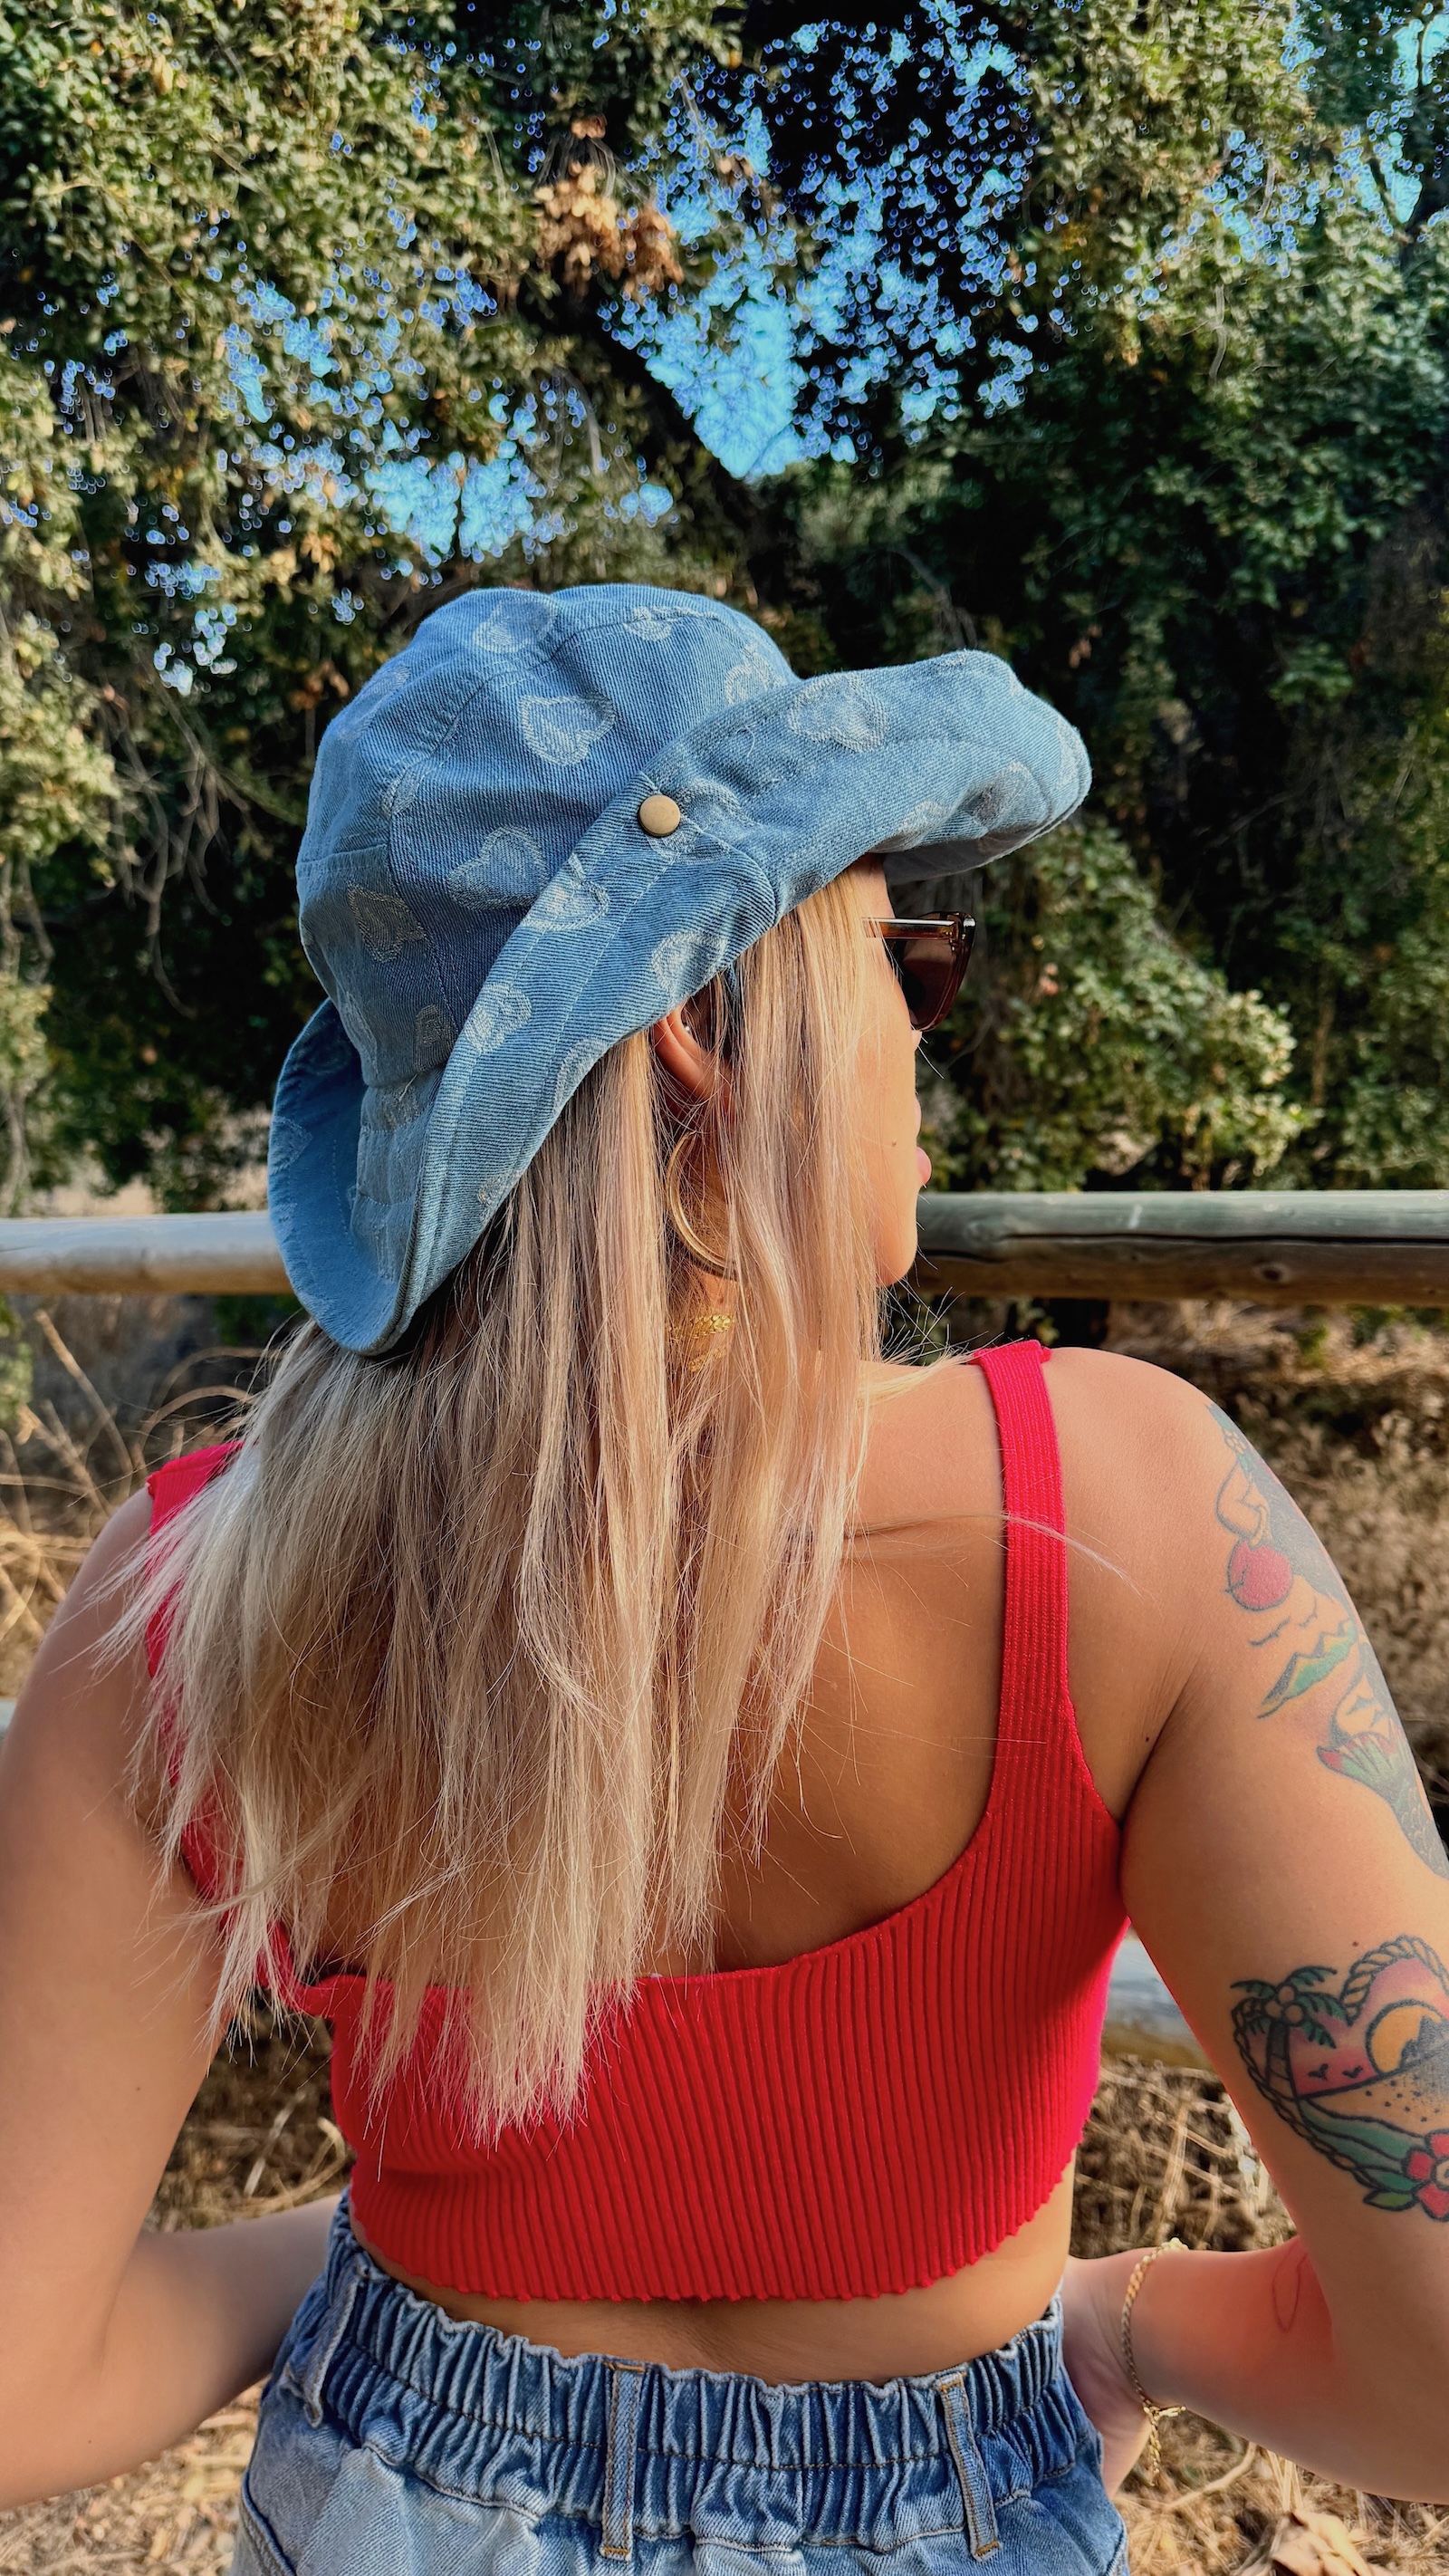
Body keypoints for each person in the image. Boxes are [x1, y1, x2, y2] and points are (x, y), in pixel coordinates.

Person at [0, 585, 1444, 2575]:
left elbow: (17, 2383)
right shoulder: (1128, 1521)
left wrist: (356, 2267)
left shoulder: (195, 1599)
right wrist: (1126, 2319)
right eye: (902, 955)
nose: (928, 1025)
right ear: (701, 1027)